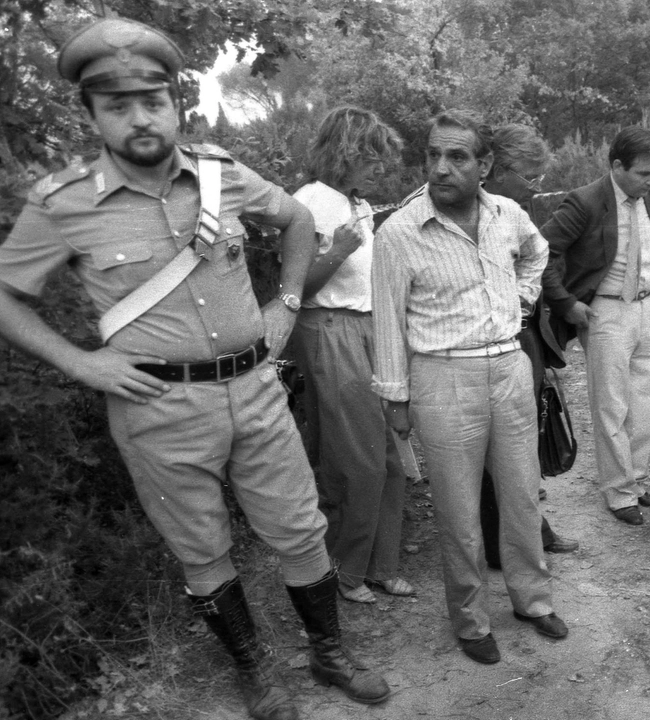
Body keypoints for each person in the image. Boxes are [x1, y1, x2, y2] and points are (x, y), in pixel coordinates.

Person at [0, 18, 388, 720]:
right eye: (117, 106)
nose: (140, 118)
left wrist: (288, 302)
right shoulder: (63, 203)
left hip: (255, 387)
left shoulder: (222, 175)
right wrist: (79, 363)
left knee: (301, 530)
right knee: (202, 547)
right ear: (90, 114)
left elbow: (298, 220)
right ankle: (255, 672)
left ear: (176, 103)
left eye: (152, 100)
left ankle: (329, 653)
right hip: (158, 407)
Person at [371, 110, 566, 666]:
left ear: (485, 166)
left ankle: (531, 600)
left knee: (523, 495)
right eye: (433, 155)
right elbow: (387, 319)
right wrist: (397, 399)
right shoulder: (400, 232)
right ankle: (471, 618)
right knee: (458, 511)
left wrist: (523, 301)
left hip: (507, 367)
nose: (441, 167)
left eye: (457, 157)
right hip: (442, 374)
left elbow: (538, 252)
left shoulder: (508, 213)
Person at [291, 106, 414, 604]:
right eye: (371, 157)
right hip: (332, 330)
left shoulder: (355, 202)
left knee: (391, 456)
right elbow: (295, 286)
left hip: (369, 329)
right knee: (356, 460)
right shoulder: (311, 202)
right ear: (345, 153)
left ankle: (381, 565)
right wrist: (337, 251)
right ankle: (346, 572)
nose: (379, 168)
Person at [540, 126, 650, 525]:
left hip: (645, 309)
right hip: (604, 311)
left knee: (645, 401)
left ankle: (635, 480)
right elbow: (541, 251)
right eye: (643, 173)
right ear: (617, 166)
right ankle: (618, 492)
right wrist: (566, 303)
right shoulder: (584, 201)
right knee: (612, 405)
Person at [477, 123, 579, 569]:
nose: (534, 188)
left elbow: (536, 260)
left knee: (527, 434)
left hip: (527, 335)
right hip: (490, 343)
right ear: (496, 167)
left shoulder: (515, 206)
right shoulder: (471, 211)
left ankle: (531, 528)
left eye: (539, 179)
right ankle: (499, 540)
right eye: (528, 177)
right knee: (490, 443)